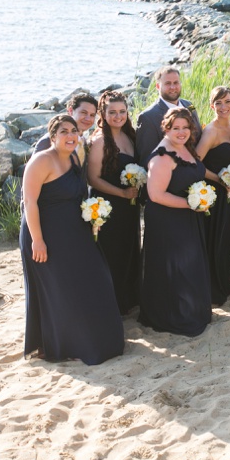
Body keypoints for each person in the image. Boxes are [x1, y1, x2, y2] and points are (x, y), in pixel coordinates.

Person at [19, 114, 124, 365]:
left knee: (95, 279)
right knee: (61, 291)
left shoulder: (76, 156)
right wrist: (37, 241)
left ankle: (96, 338)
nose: (70, 136)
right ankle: (65, 344)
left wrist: (94, 216)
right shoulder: (42, 161)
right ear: (53, 136)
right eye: (63, 131)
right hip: (46, 236)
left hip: (75, 233)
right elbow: (29, 203)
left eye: (73, 131)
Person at [139, 107, 212, 336]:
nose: (181, 132)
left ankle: (192, 309)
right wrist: (193, 205)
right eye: (176, 128)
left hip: (186, 217)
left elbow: (195, 169)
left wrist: (221, 179)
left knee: (189, 266)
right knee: (175, 267)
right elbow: (156, 195)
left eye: (186, 128)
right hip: (167, 220)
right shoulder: (162, 157)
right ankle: (174, 315)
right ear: (166, 128)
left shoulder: (185, 148)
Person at [86, 91, 141, 314]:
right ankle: (112, 305)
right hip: (108, 206)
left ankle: (129, 300)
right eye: (113, 112)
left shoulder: (130, 136)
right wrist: (121, 193)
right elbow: (93, 178)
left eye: (122, 112)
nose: (118, 116)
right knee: (112, 253)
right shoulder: (99, 141)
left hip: (129, 205)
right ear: (103, 113)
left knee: (129, 248)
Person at [195, 86, 230, 305]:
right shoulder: (211, 131)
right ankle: (215, 284)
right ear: (211, 106)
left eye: (227, 102)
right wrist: (219, 179)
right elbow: (195, 163)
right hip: (217, 193)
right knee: (218, 236)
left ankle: (227, 278)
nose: (223, 107)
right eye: (218, 103)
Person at [136, 66, 202, 168]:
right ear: (158, 86)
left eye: (176, 83)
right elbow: (146, 158)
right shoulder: (147, 117)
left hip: (198, 169)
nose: (173, 87)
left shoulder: (189, 105)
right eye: (167, 83)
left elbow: (199, 135)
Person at [33, 93, 98, 164]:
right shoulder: (49, 141)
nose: (88, 118)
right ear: (70, 111)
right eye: (84, 112)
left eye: (92, 115)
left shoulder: (83, 142)